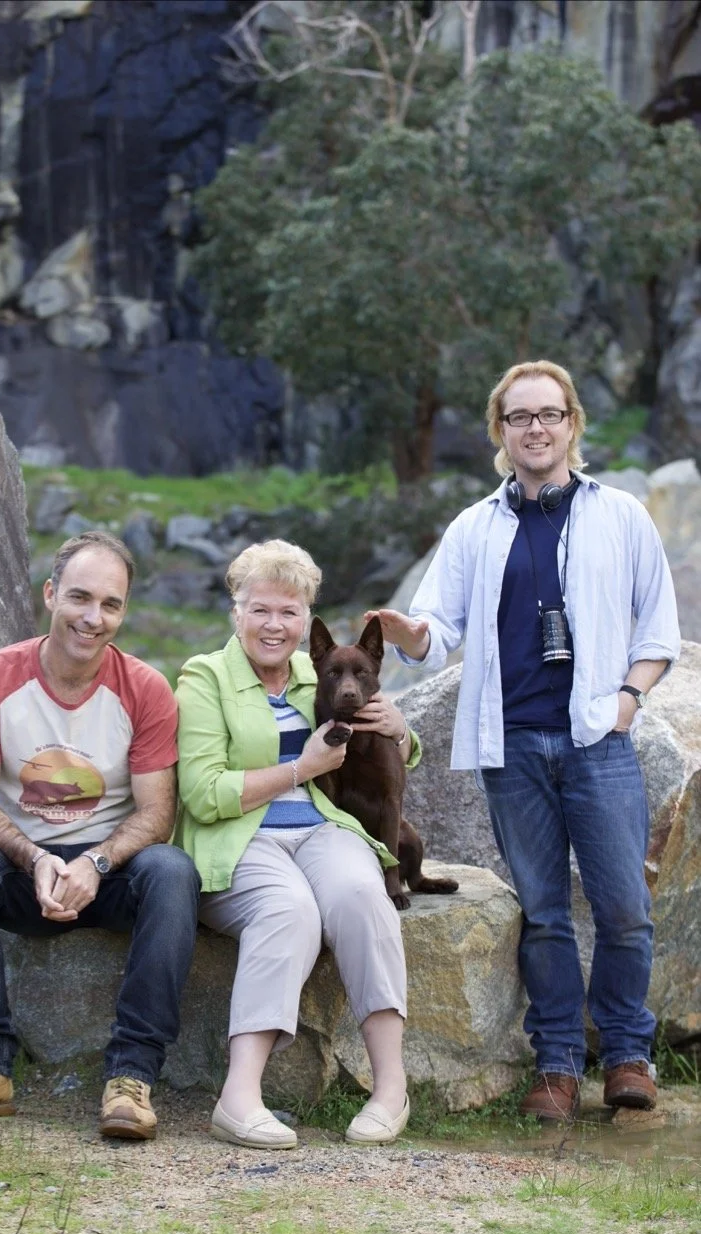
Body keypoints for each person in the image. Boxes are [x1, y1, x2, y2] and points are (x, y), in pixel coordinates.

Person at [369, 360, 680, 1122]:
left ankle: (629, 1054)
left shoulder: (621, 516)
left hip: (596, 744)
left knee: (622, 908)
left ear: (571, 423)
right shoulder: (474, 527)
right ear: (499, 432)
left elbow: (658, 628)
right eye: (518, 417)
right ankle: (556, 1064)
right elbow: (434, 631)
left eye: (547, 414)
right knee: (541, 911)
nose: (534, 428)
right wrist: (409, 630)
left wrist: (628, 701)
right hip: (511, 748)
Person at [0, 531, 200, 1140]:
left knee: (173, 871)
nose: (94, 618)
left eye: (111, 604)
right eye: (80, 598)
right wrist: (35, 857)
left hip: (111, 871)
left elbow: (156, 815)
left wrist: (96, 862)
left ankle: (132, 1079)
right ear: (50, 595)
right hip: (24, 870)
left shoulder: (146, 688)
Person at [175, 539, 418, 1150]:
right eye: (260, 609)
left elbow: (392, 755)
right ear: (237, 611)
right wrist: (297, 770)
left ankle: (391, 1088)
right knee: (289, 910)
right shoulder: (204, 679)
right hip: (242, 838)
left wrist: (402, 729)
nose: (274, 625)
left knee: (366, 895)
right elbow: (202, 793)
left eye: (289, 611)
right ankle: (240, 1098)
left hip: (319, 827)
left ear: (306, 618)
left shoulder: (325, 671)